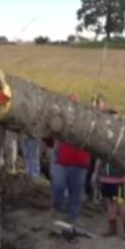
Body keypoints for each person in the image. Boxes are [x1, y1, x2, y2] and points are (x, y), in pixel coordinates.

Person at [51, 94, 91, 224]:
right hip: (62, 161)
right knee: (57, 185)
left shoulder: (86, 121)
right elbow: (54, 136)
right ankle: (58, 207)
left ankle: (73, 217)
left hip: (80, 163)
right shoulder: (61, 119)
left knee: (76, 192)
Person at [96, 110, 125, 239]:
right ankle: (112, 228)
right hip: (105, 179)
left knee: (120, 204)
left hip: (117, 180)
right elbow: (99, 157)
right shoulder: (103, 137)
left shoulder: (122, 139)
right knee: (109, 204)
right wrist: (97, 174)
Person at [85, 94, 107, 202]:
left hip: (101, 149)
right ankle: (90, 194)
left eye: (100, 102)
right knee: (90, 171)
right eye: (97, 102)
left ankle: (99, 195)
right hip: (92, 148)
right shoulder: (92, 115)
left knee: (99, 173)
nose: (98, 104)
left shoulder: (106, 117)